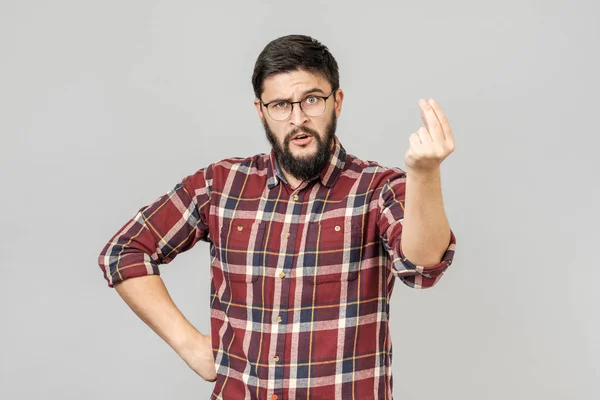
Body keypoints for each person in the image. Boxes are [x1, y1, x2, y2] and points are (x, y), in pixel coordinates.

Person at [98, 34, 457, 400]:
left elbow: (423, 267)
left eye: (312, 100)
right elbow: (124, 251)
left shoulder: (378, 188)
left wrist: (425, 175)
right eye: (281, 105)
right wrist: (190, 345)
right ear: (261, 111)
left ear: (338, 102)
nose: (298, 119)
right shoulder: (219, 185)